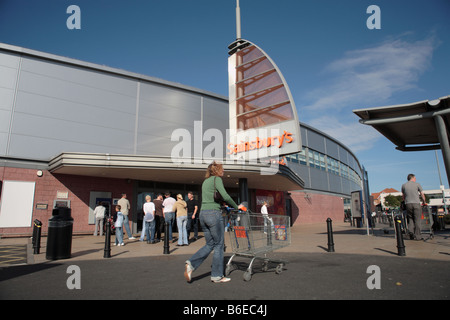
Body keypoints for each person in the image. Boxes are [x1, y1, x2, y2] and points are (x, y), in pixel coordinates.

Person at [184, 161, 245, 283]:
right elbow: (226, 195)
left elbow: (212, 197)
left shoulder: (205, 182)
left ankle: (191, 264)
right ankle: (217, 275)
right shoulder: (217, 180)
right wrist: (236, 206)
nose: (224, 171)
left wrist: (220, 203)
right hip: (213, 214)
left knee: (210, 244)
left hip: (203, 214)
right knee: (219, 245)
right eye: (222, 169)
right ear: (217, 171)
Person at [401, 174, 427, 240]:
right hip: (416, 203)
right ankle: (418, 236)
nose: (415, 179)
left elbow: (403, 196)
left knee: (410, 219)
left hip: (408, 204)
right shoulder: (417, 184)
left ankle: (410, 234)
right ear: (412, 178)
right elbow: (422, 194)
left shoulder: (404, 185)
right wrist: (424, 202)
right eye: (415, 178)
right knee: (417, 220)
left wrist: (405, 202)